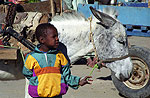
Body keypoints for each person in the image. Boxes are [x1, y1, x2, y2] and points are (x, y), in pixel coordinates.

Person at [22, 23, 92, 98]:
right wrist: (39, 82)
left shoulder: (60, 56)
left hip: (57, 95)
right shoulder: (32, 57)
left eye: (57, 36)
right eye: (53, 37)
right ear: (42, 40)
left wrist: (78, 81)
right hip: (39, 95)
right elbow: (27, 73)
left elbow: (66, 76)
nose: (57, 39)